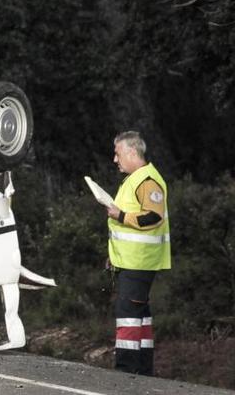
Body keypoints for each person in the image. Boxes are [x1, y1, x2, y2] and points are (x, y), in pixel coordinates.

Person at [104, 131, 170, 375]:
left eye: (117, 153)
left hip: (140, 261)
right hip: (133, 260)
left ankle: (127, 369)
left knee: (128, 314)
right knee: (140, 314)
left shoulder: (147, 180)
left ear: (132, 152)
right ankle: (142, 370)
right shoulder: (136, 178)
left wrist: (120, 215)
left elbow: (153, 216)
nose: (114, 159)